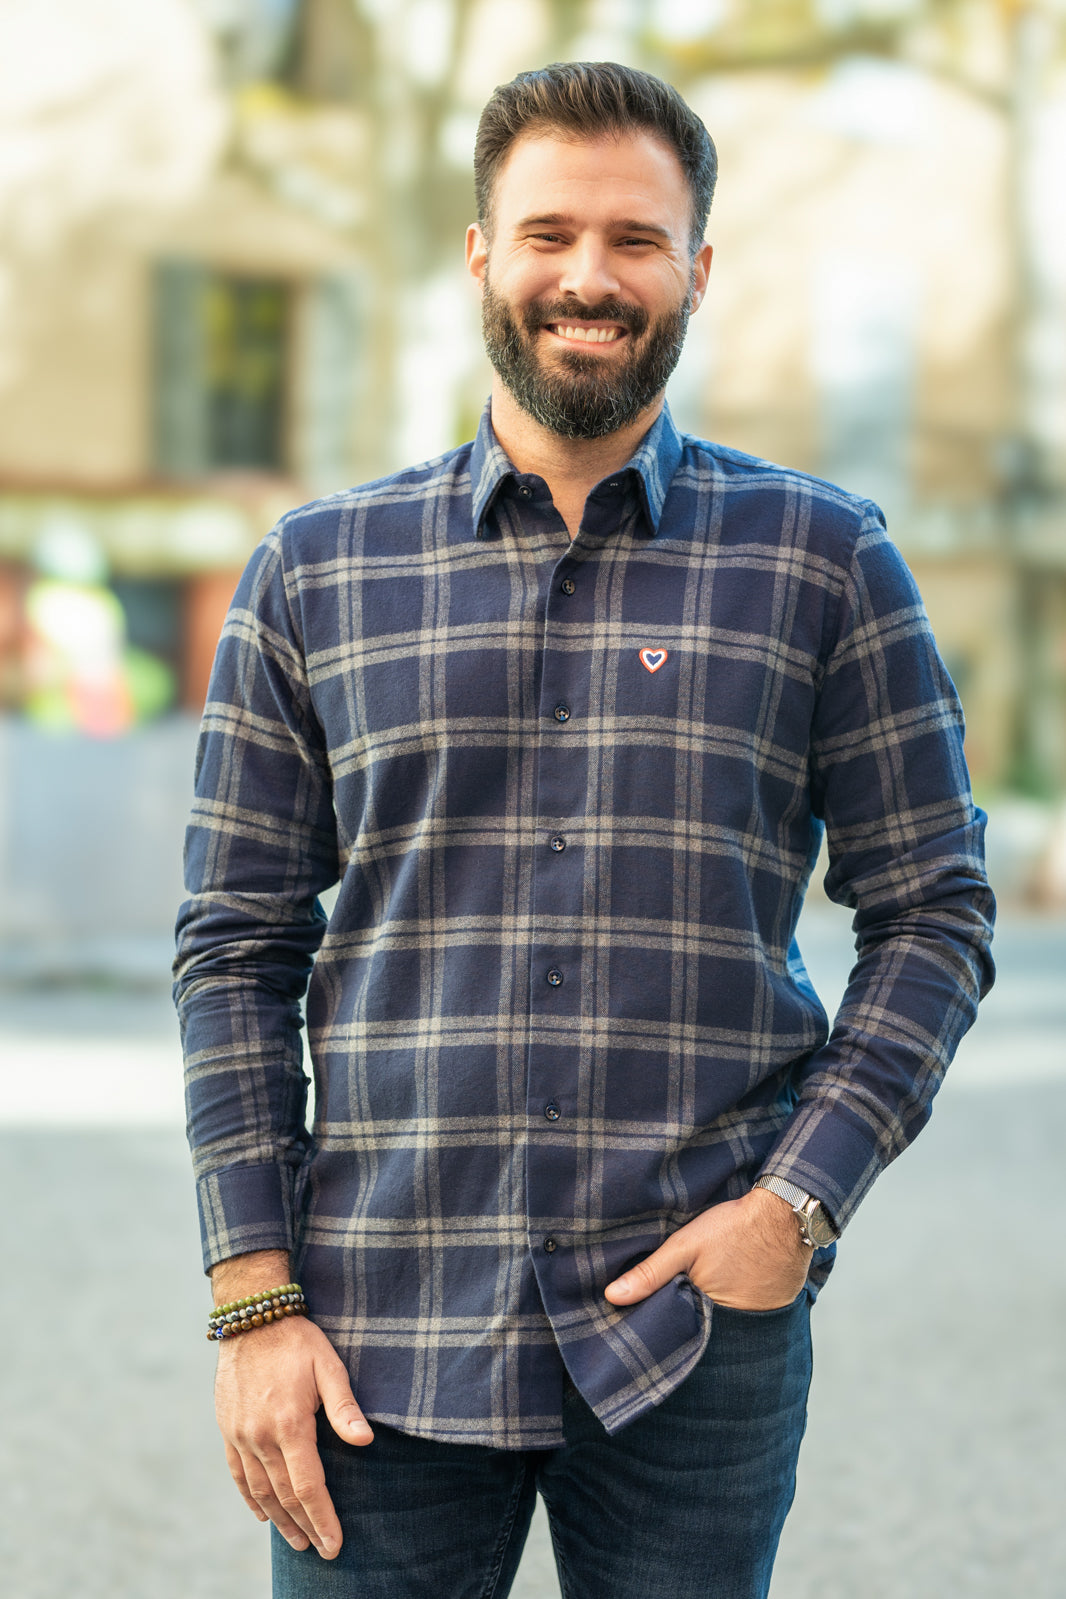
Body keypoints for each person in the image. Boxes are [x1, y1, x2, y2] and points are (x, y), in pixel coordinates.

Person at [174, 60, 995, 1599]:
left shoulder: (821, 561)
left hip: (693, 1337)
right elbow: (234, 948)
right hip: (375, 1341)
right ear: (481, 253)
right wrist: (252, 1299)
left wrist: (794, 1206)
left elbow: (935, 911)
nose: (588, 277)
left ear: (697, 268)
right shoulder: (317, 571)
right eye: (548, 233)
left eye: (634, 239)